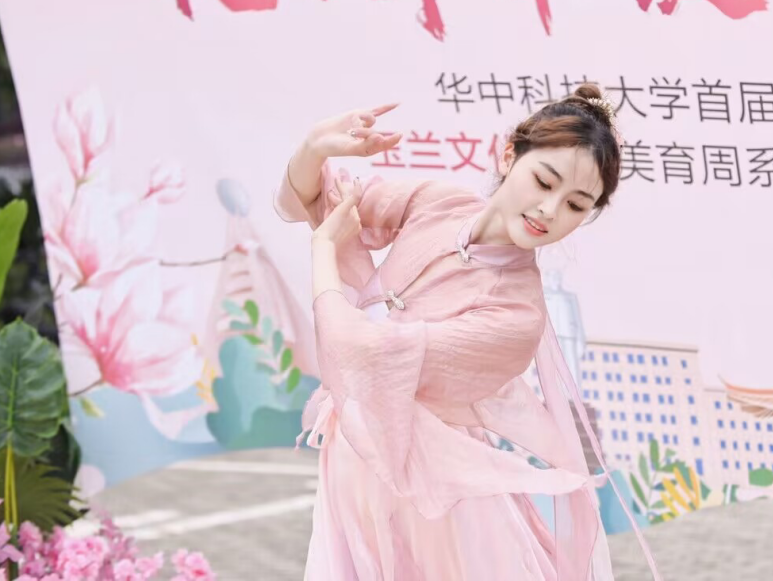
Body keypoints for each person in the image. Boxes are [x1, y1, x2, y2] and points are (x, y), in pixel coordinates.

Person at [275, 83, 661, 580]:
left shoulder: (516, 316)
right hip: (354, 468)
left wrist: (324, 251)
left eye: (575, 205)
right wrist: (314, 147)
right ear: (509, 156)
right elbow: (315, 201)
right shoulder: (440, 203)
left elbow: (360, 355)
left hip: (438, 505)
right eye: (544, 182)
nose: (550, 210)